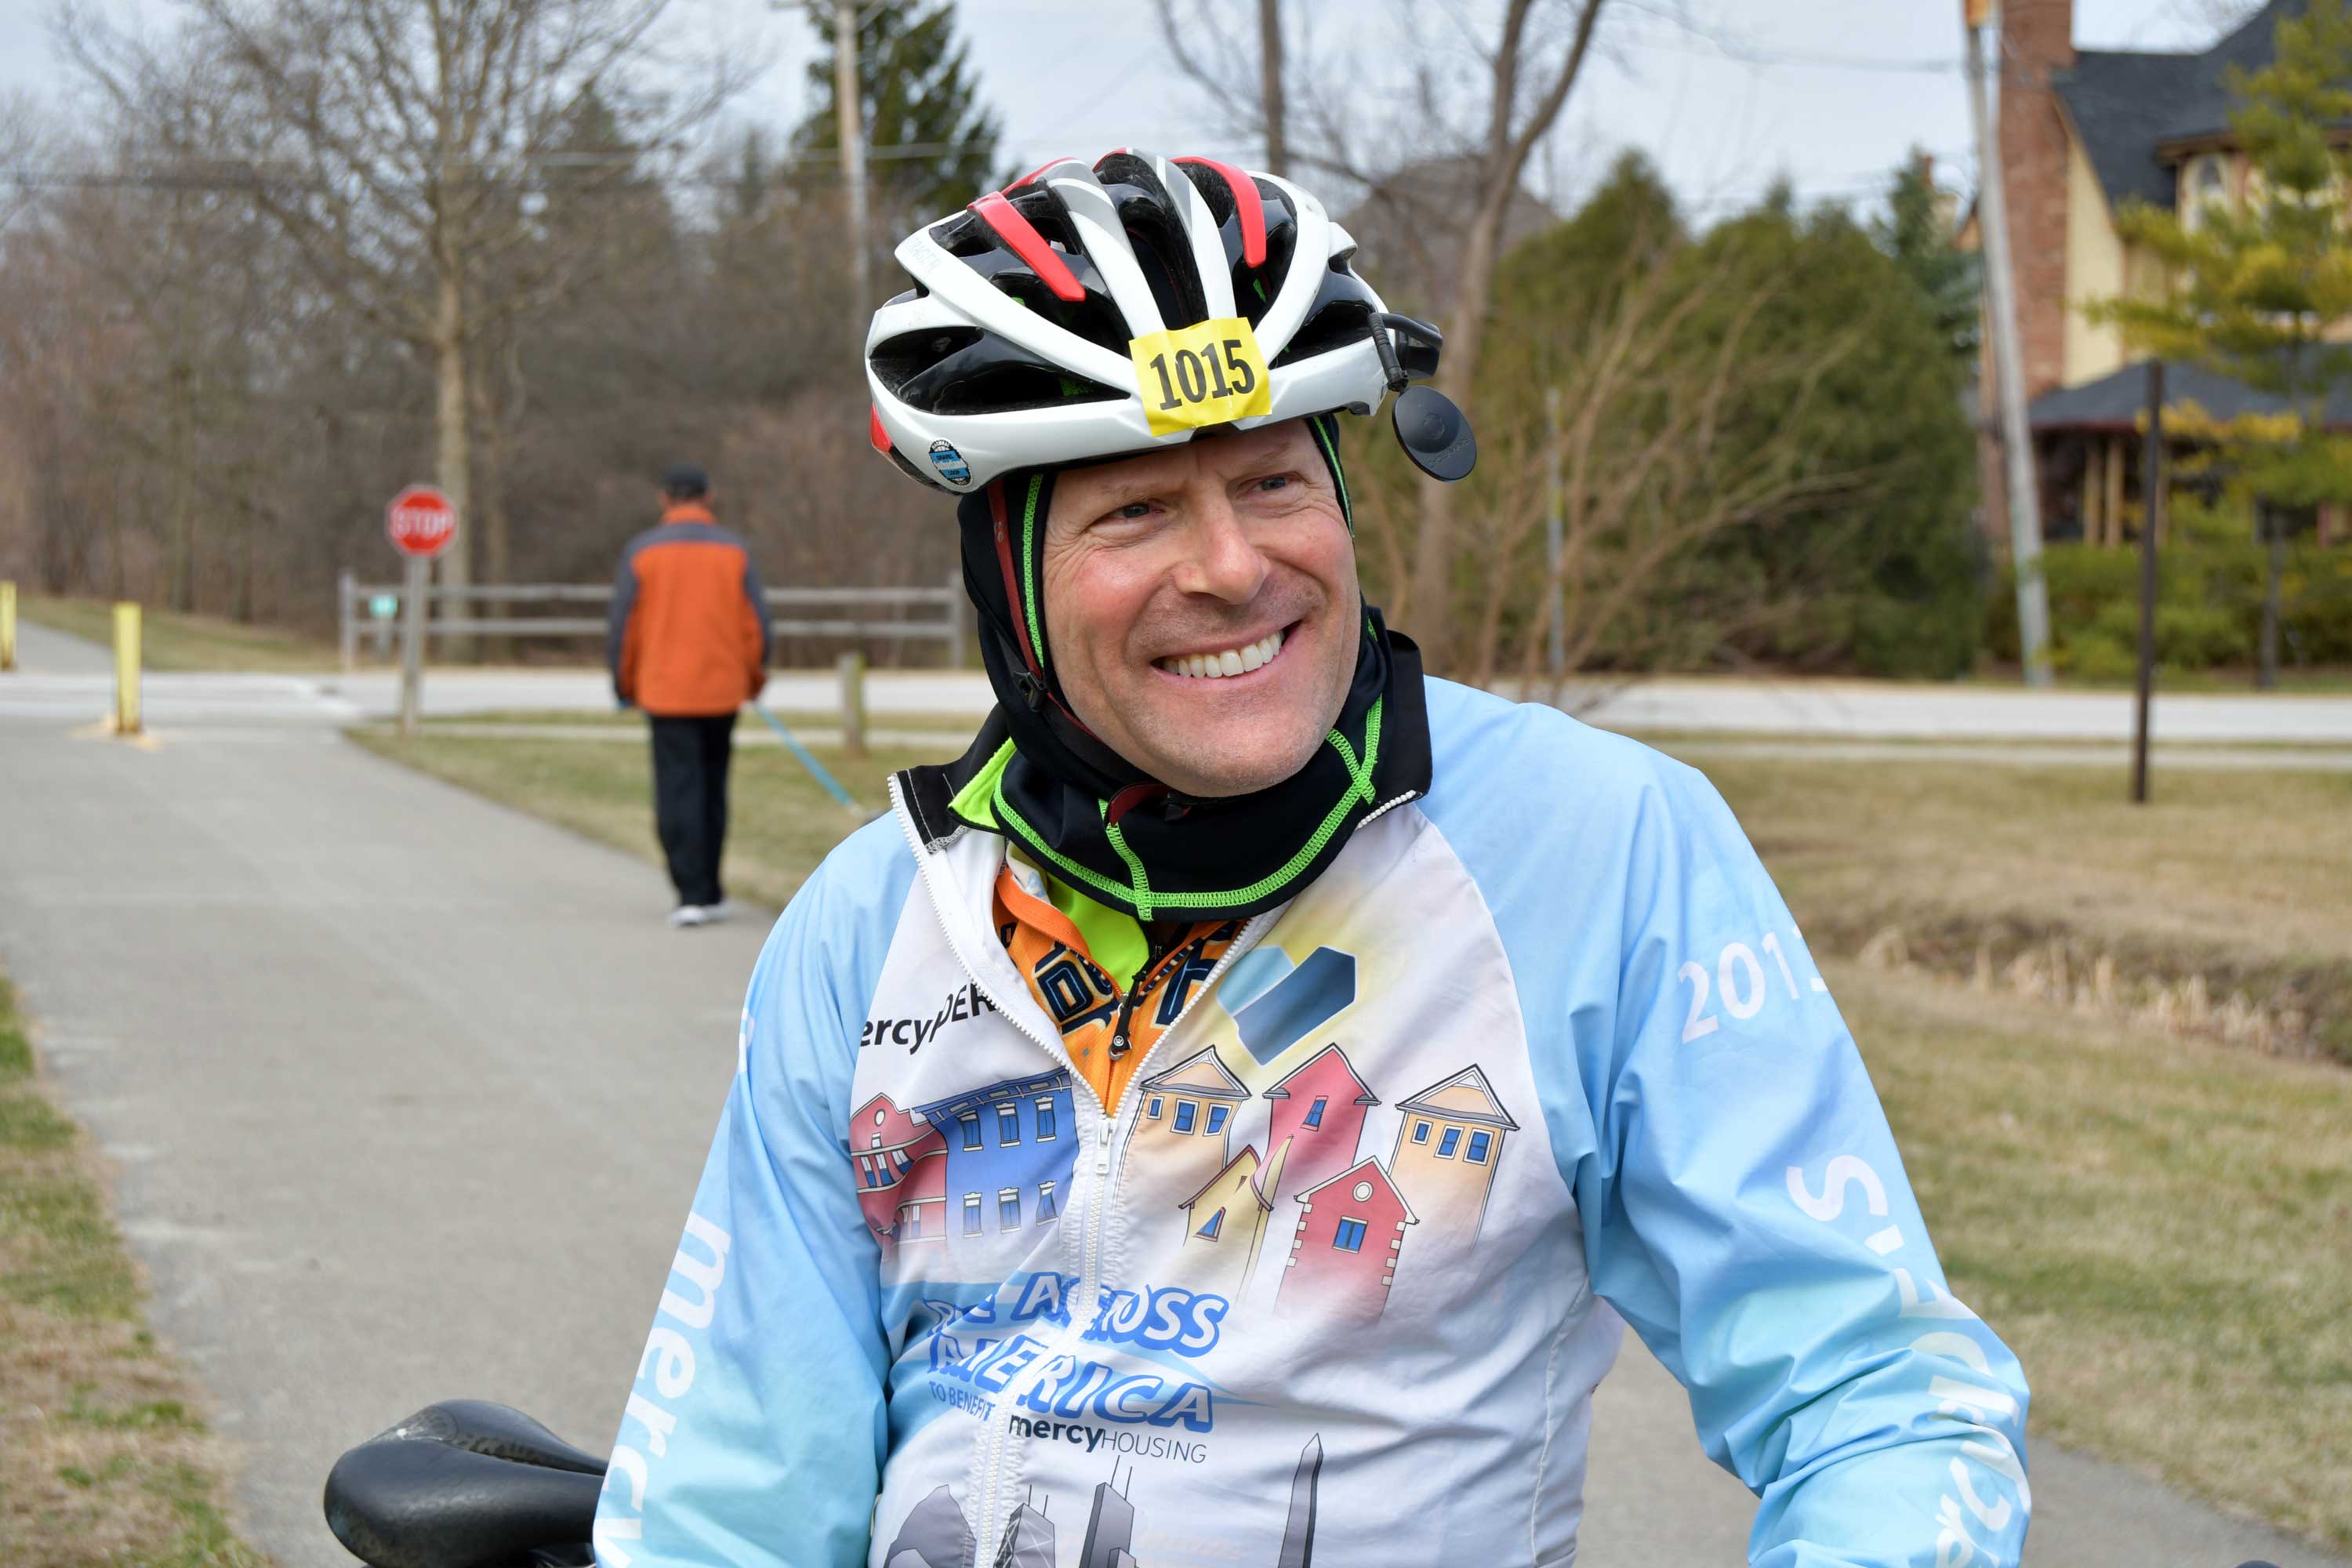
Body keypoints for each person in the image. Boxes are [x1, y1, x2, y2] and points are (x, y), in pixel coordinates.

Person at [595, 152, 2031, 1566]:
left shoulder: (1598, 848)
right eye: (1136, 509)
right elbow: (734, 1499)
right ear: (1011, 591)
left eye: (1276, 480)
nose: (1229, 565)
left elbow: (1883, 1401)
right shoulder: (871, 921)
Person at [606, 463, 769, 927]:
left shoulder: (641, 552)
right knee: (713, 789)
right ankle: (710, 889)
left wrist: (624, 684)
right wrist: (752, 679)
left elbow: (624, 626)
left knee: (678, 790)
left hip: (665, 691)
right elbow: (755, 625)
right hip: (721, 690)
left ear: (664, 499)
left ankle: (690, 891)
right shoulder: (735, 551)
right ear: (708, 496)